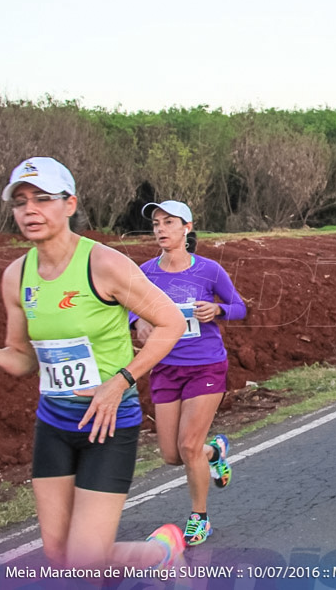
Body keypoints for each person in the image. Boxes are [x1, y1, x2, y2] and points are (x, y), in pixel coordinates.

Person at [0, 157, 188, 571]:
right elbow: (23, 360)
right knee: (60, 558)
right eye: (20, 202)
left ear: (69, 204)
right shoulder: (16, 276)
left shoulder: (103, 264)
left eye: (43, 198)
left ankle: (161, 552)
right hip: (54, 425)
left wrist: (120, 381)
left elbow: (171, 322)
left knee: (85, 561)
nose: (30, 210)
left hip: (108, 424)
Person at [133, 200, 247, 546]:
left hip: (206, 365)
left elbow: (240, 307)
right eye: (156, 223)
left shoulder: (209, 270)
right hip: (166, 368)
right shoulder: (145, 272)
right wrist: (137, 321)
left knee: (187, 444)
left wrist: (218, 309)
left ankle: (200, 517)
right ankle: (215, 451)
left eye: (169, 222)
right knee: (172, 455)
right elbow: (127, 305)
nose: (161, 229)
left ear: (187, 227)